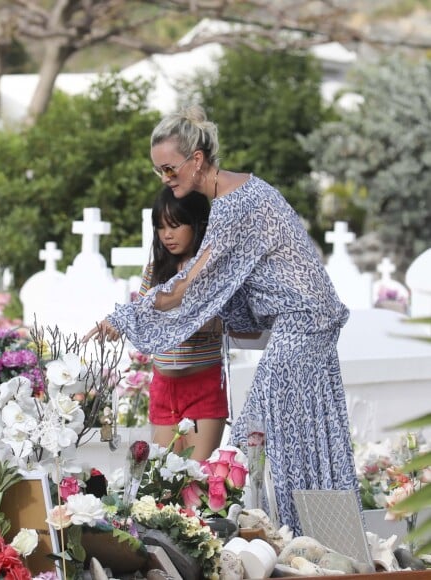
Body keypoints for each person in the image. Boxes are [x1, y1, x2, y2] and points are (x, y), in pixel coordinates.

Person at [84, 104, 359, 535]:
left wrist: (123, 317)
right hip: (310, 323)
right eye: (159, 172)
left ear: (197, 160)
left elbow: (185, 291)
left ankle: (295, 540)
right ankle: (325, 540)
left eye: (170, 169)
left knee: (258, 434)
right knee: (307, 440)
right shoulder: (247, 191)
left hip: (302, 324)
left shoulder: (233, 207)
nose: (166, 179)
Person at [141, 186, 227, 461]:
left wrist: (200, 323)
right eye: (161, 227)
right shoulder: (155, 270)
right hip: (164, 387)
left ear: (198, 225)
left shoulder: (215, 269)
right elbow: (142, 316)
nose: (167, 234)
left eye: (176, 225)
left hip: (202, 385)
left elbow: (230, 319)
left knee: (199, 479)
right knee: (165, 481)